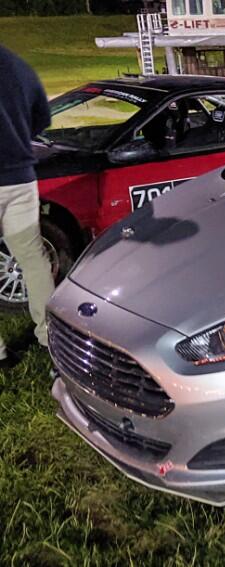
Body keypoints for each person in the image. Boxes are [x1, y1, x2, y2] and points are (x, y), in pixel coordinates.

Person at [0, 44, 56, 368]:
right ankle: (51, 338)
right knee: (33, 259)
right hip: (21, 179)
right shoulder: (20, 66)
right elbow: (41, 119)